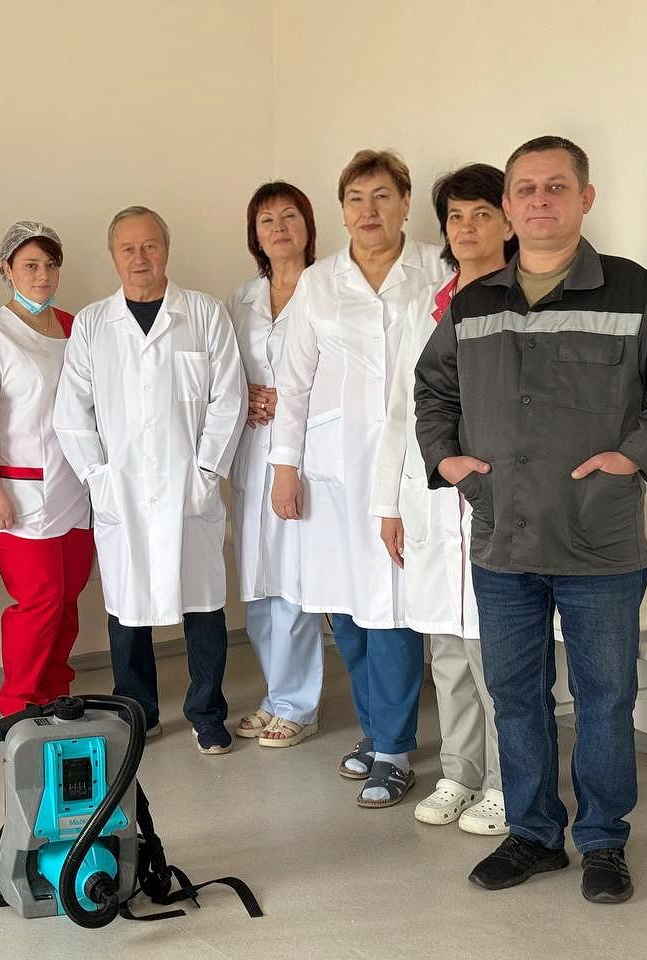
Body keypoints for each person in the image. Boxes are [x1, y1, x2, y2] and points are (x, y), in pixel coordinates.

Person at [415, 136, 647, 903]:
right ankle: (534, 835)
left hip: (599, 540)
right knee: (516, 696)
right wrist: (448, 460)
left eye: (556, 186)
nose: (540, 199)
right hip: (502, 538)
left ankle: (604, 841)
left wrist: (632, 460)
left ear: (586, 198)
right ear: (509, 207)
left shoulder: (636, 291)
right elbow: (433, 391)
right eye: (526, 188)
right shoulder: (474, 304)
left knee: (605, 700)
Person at [270, 150, 450, 807]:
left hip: (406, 462)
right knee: (344, 608)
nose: (368, 211)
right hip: (333, 467)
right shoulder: (319, 282)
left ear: (405, 203)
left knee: (392, 606)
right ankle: (376, 733)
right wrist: (284, 467)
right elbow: (293, 383)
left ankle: (395, 749)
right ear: (342, 212)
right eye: (355, 199)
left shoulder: (437, 270)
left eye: (381, 197)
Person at [54, 205, 247, 755]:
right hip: (123, 489)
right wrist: (98, 476)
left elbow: (228, 398)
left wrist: (206, 471)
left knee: (204, 603)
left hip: (189, 487)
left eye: (150, 246)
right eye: (128, 248)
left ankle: (207, 713)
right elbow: (72, 411)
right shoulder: (93, 324)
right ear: (113, 256)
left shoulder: (204, 313)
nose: (140, 258)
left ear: (166, 248)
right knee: (127, 606)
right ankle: (137, 711)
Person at [370, 164, 515, 833]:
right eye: (455, 216)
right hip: (430, 503)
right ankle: (459, 772)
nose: (466, 228)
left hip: (495, 502)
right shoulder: (424, 307)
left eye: (481, 214)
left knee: (498, 656)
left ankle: (509, 783)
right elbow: (398, 414)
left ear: (508, 222)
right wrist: (389, 504)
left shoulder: (525, 304)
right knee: (449, 650)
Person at [0, 222, 93, 716]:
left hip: (75, 487)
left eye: (50, 265)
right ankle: (18, 704)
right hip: (16, 492)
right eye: (30, 265)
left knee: (68, 599)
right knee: (40, 601)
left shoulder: (76, 327)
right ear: (7, 268)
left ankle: (55, 693)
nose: (42, 275)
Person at [226, 182, 325, 748]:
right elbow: (220, 373)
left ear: (308, 226)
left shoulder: (327, 289)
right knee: (258, 580)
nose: (279, 228)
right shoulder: (239, 299)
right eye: (267, 220)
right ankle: (275, 694)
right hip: (252, 450)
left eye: (290, 216)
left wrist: (285, 401)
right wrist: (245, 396)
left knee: (295, 581)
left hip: (306, 453)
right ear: (255, 236)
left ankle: (298, 704)